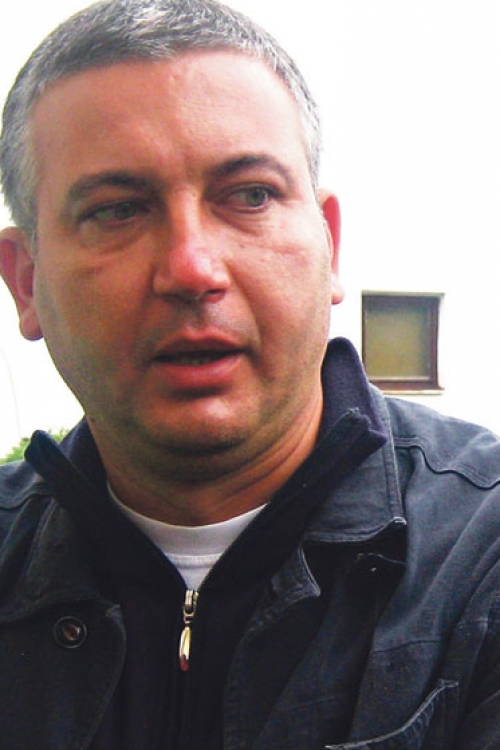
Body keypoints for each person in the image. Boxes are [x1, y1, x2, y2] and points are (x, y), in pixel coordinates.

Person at [1, 0, 500, 747]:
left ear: (329, 245)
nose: (192, 269)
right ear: (26, 281)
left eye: (251, 196)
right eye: (118, 210)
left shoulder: (481, 561)